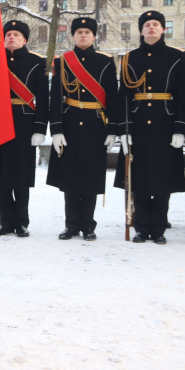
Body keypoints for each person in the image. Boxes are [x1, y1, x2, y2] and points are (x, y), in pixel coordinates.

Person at [114, 10, 185, 244]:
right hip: (137, 125)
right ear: (141, 30)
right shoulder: (129, 58)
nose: (151, 28)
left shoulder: (177, 56)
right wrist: (124, 130)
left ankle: (158, 229)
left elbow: (183, 95)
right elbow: (123, 96)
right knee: (140, 178)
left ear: (163, 29)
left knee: (162, 179)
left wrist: (180, 128)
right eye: (147, 25)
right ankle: (141, 227)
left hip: (165, 125)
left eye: (156, 24)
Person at [47, 17, 118, 241]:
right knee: (70, 177)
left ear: (94, 35)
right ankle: (70, 225)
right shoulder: (62, 61)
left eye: (87, 32)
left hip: (95, 125)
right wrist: (56, 129)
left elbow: (113, 98)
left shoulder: (106, 61)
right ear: (73, 36)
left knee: (90, 177)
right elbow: (56, 96)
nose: (83, 35)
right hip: (69, 124)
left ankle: (88, 225)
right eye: (79, 32)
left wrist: (112, 130)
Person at [0, 20, 49, 238]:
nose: (11, 37)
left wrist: (40, 128)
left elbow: (42, 97)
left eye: (16, 35)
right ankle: (5, 223)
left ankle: (22, 222)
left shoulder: (37, 62)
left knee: (21, 177)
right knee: (1, 176)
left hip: (25, 125)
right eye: (8, 34)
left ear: (25, 40)